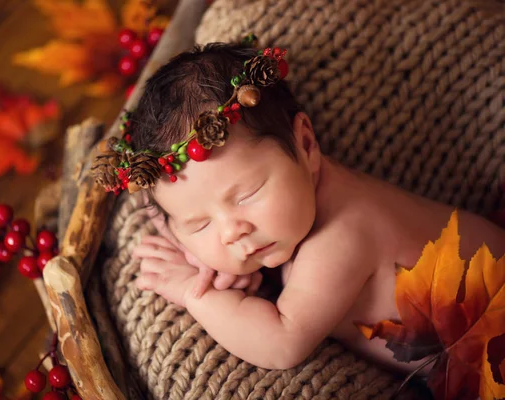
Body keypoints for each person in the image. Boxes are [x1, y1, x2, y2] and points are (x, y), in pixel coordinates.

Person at [91, 42, 505, 373]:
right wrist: (187, 244)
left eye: (247, 194)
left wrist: (192, 293)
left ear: (306, 145)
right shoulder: (288, 208)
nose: (231, 232)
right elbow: (169, 207)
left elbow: (281, 344)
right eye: (199, 224)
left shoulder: (342, 234)